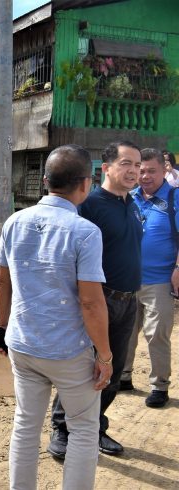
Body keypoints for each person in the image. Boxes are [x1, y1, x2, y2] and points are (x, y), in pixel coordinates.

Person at [0, 144, 112, 490]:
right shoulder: (85, 232)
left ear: (45, 181)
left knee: (25, 425)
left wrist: (2, 328)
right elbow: (91, 303)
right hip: (67, 351)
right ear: (86, 184)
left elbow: (2, 282)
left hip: (22, 344)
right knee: (83, 428)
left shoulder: (14, 222)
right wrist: (105, 356)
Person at [47, 141, 143, 459]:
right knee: (83, 370)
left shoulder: (133, 204)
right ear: (106, 168)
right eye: (126, 163)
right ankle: (62, 430)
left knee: (112, 371)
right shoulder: (89, 204)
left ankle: (96, 427)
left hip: (128, 301)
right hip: (98, 301)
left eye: (137, 165)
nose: (134, 171)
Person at [121, 148, 178, 408]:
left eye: (151, 171)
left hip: (160, 281)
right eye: (141, 171)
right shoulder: (128, 198)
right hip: (128, 280)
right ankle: (123, 376)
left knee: (157, 335)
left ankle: (159, 386)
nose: (145, 176)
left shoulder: (175, 198)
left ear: (164, 170)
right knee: (126, 332)